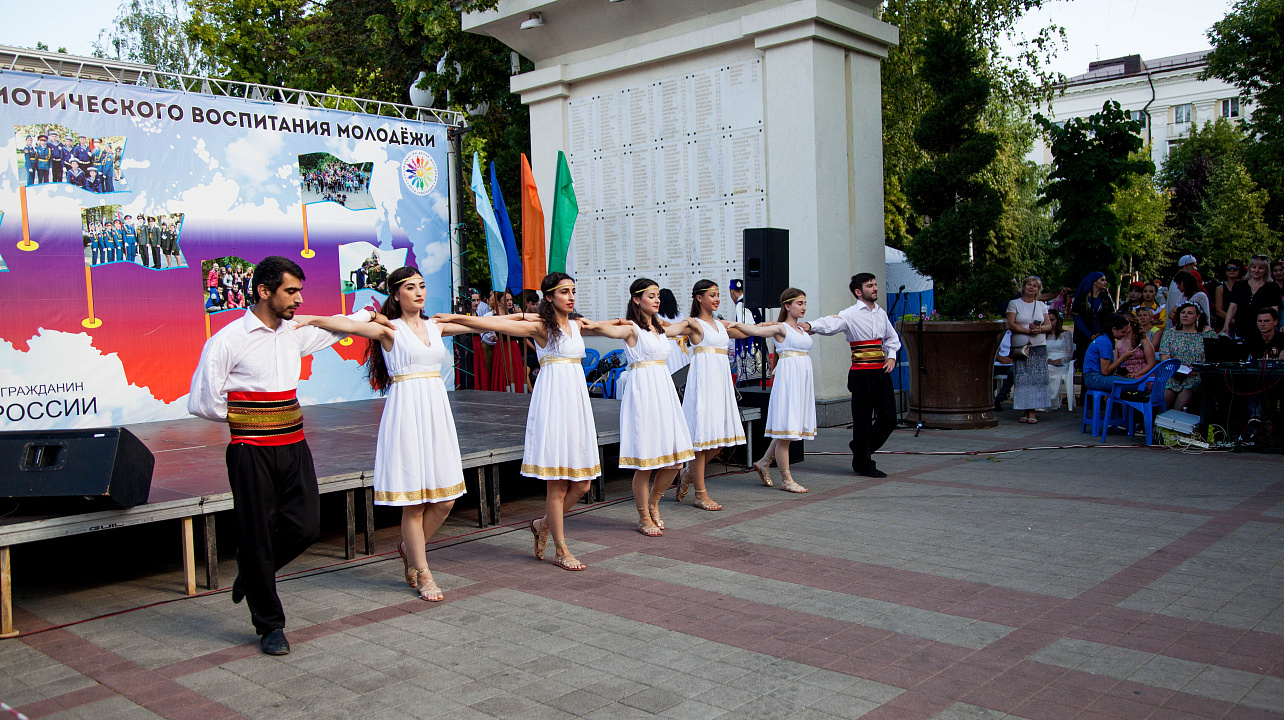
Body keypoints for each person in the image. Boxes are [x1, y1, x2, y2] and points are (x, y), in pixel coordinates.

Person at [187, 256, 389, 655]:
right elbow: (202, 401)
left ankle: (252, 573)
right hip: (251, 451)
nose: (298, 300)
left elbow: (336, 326)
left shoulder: (295, 331)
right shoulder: (228, 340)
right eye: (290, 291)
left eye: (299, 291)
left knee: (305, 527)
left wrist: (370, 312)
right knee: (257, 535)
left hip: (294, 446)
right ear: (264, 291)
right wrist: (251, 418)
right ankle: (270, 626)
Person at [296, 267, 474, 601]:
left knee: (446, 500)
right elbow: (349, 325)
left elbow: (484, 324)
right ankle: (423, 572)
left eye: (422, 286)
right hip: (407, 410)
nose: (419, 292)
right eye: (410, 287)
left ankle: (409, 548)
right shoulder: (390, 329)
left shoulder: (437, 326)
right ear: (396, 294)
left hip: (436, 411)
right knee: (415, 503)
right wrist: (312, 318)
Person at [435, 273, 597, 571]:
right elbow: (495, 323)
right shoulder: (540, 327)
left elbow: (608, 326)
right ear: (549, 297)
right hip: (553, 404)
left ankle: (542, 524)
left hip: (577, 404)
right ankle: (561, 549)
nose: (571, 296)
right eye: (564, 292)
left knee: (583, 484)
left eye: (573, 290)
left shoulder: (577, 324)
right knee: (558, 484)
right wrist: (459, 317)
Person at [580, 279, 695, 536]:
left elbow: (682, 326)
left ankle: (654, 501)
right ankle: (643, 515)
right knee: (645, 461)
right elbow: (606, 330)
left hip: (664, 389)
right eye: (651, 296)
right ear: (636, 299)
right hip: (643, 391)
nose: (657, 300)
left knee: (675, 460)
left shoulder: (659, 326)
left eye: (658, 296)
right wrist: (590, 323)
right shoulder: (631, 328)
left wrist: (695, 322)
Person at [668, 280, 775, 508]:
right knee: (703, 441)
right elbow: (672, 330)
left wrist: (778, 325)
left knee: (719, 441)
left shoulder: (720, 324)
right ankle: (700, 494)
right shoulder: (694, 324)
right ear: (699, 298)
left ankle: (688, 474)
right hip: (703, 385)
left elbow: (750, 331)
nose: (717, 299)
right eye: (712, 295)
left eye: (718, 295)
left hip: (721, 384)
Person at [802, 273, 900, 478]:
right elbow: (831, 323)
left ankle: (860, 447)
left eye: (875, 284)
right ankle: (863, 463)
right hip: (862, 373)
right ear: (858, 292)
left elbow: (892, 338)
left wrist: (891, 357)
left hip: (881, 372)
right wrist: (810, 326)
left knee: (889, 418)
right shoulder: (850, 314)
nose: (875, 288)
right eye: (869, 285)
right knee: (863, 419)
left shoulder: (880, 313)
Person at [750, 288, 813, 493]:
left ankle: (764, 462)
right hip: (789, 380)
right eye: (799, 303)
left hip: (801, 379)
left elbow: (828, 323)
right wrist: (731, 325)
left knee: (788, 427)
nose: (803, 307)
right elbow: (757, 331)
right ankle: (786, 479)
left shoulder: (801, 329)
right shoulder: (781, 328)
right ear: (787, 305)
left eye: (804, 303)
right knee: (785, 430)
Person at [1006, 276, 1051, 424]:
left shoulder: (1041, 305)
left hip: (1038, 346)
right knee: (1023, 379)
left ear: (1038, 290)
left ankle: (1033, 411)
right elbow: (1011, 324)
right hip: (1021, 347)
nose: (1032, 288)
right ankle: (1025, 410)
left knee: (1036, 379)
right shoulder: (1014, 304)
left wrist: (1039, 329)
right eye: (1029, 285)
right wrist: (1027, 332)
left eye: (1035, 286)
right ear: (1024, 287)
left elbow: (1048, 325)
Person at [1158, 302, 1218, 411]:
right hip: (1174, 373)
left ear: (1198, 316)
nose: (1185, 315)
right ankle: (1159, 423)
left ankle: (1175, 423)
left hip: (1197, 374)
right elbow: (1165, 359)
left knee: (1187, 391)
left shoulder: (1207, 334)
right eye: (1182, 312)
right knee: (1167, 391)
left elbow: (1214, 358)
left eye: (1190, 313)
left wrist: (1198, 369)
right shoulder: (1169, 333)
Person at [1221, 255, 1282, 338]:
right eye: (1253, 267)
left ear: (1266, 270)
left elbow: (1274, 309)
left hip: (1262, 332)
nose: (1256, 270)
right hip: (1240, 330)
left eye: (1260, 268)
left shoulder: (1272, 287)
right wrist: (1226, 326)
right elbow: (1232, 307)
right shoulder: (1239, 285)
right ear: (1249, 269)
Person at [1082, 314, 1136, 392]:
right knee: (1138, 385)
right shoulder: (1105, 342)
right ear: (1114, 329)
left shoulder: (1106, 339)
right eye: (1123, 332)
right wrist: (1123, 357)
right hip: (1095, 378)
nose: (1125, 335)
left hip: (1093, 377)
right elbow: (1105, 371)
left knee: (1133, 382)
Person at [1072, 272, 1113, 366]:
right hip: (1085, 337)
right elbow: (1077, 319)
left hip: (1102, 334)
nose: (1105, 282)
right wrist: (1090, 335)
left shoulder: (1105, 298)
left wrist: (1103, 332)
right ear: (1094, 282)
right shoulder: (1081, 299)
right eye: (1102, 280)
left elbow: (1111, 316)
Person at [1044, 309, 1074, 409]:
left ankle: (1049, 401)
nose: (1050, 322)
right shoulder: (1045, 336)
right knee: (1042, 370)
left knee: (1048, 370)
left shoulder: (1066, 334)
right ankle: (1043, 401)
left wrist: (1056, 361)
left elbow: (1069, 354)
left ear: (1058, 320)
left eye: (1052, 320)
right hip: (1048, 362)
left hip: (1062, 363)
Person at [1115, 313, 1157, 379]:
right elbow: (1115, 364)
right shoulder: (1118, 342)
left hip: (1143, 373)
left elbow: (1151, 363)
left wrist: (1136, 374)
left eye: (1126, 323)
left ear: (1134, 324)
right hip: (1125, 374)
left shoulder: (1142, 339)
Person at [1167, 255, 1205, 325]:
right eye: (1194, 265)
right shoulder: (1176, 285)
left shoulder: (1199, 295)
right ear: (1187, 265)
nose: (1195, 268)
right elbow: (1174, 311)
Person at [1214, 259, 1243, 330]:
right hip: (1226, 324)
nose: (1231, 271)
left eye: (1235, 269)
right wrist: (1232, 321)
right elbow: (1219, 311)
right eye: (1229, 269)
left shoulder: (1245, 287)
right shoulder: (1220, 289)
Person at [993, 331, 1014, 410]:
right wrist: (1000, 358)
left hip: (1010, 363)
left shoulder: (1013, 334)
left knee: (1013, 372)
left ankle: (999, 398)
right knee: (989, 373)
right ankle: (990, 398)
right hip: (996, 363)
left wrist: (1010, 359)